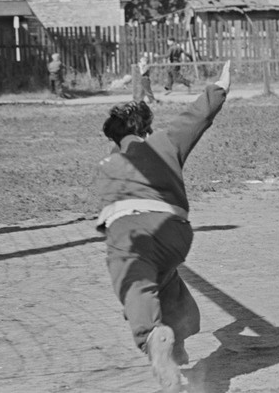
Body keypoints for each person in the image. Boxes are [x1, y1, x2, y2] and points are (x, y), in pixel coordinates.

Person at [96, 61, 231, 393]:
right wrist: (220, 87)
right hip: (176, 233)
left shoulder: (107, 165)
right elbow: (197, 117)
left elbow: (108, 220)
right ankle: (179, 335)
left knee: (137, 285)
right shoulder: (167, 143)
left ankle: (154, 337)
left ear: (113, 140)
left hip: (131, 232)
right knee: (164, 276)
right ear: (145, 130)